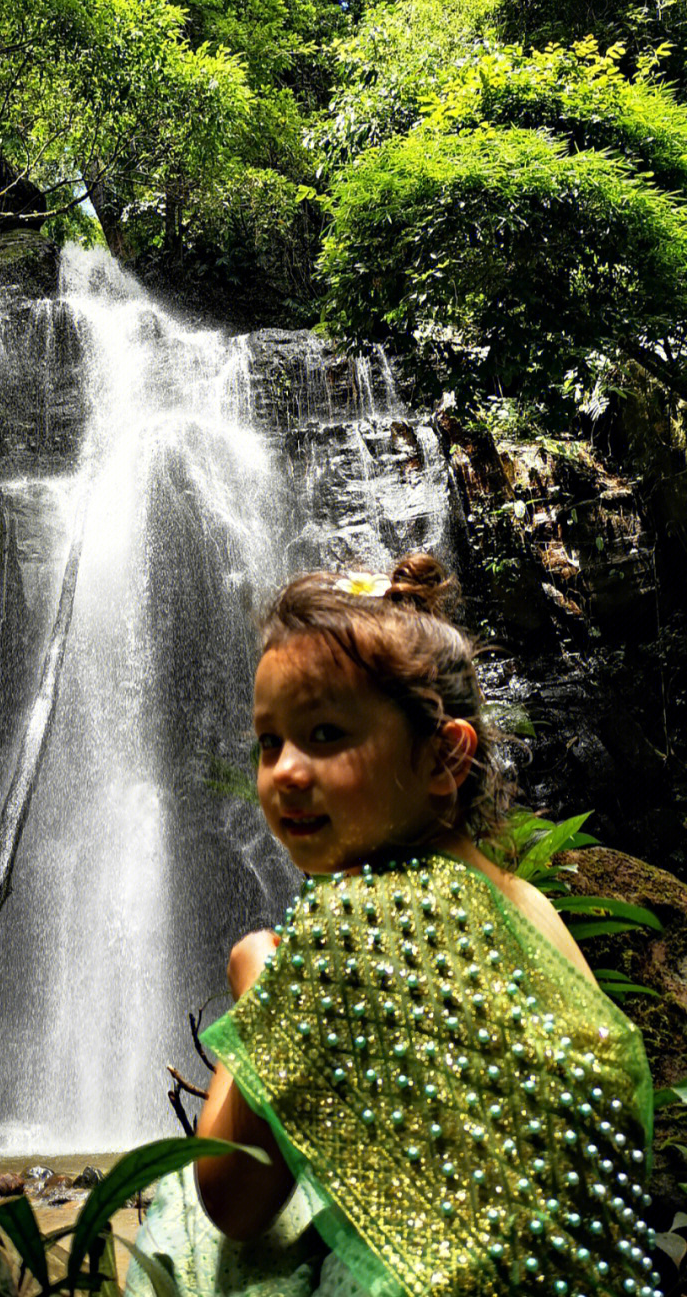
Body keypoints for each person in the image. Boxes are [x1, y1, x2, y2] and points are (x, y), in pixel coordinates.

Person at [127, 555, 658, 1297]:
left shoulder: (348, 922)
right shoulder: (526, 909)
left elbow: (231, 1197)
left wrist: (263, 980)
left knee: (180, 1204)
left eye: (323, 732)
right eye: (269, 741)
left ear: (445, 756)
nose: (284, 770)